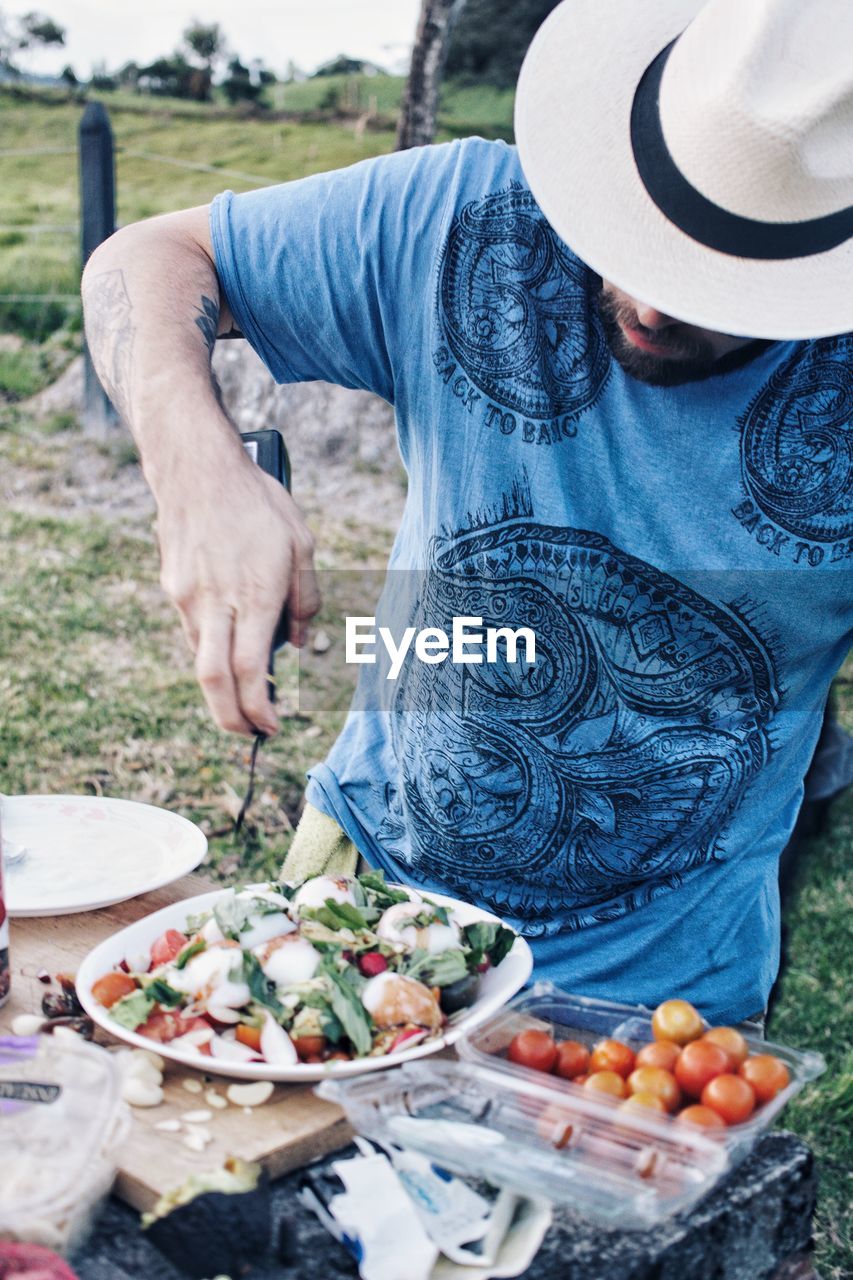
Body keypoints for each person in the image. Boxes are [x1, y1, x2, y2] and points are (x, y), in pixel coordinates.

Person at [81, 0, 853, 1025]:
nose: (658, 306)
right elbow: (145, 258)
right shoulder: (462, 215)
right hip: (363, 912)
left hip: (659, 1014)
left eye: (723, 277)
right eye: (642, 235)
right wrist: (200, 480)